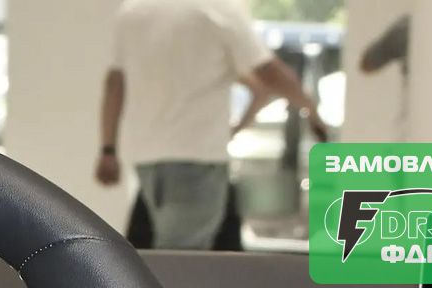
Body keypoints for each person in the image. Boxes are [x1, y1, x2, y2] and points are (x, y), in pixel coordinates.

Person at [96, 0, 328, 250]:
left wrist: (108, 149)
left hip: (148, 158)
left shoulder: (134, 10)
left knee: (168, 251)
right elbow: (268, 72)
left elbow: (115, 82)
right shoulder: (218, 9)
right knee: (182, 258)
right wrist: (312, 111)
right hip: (196, 156)